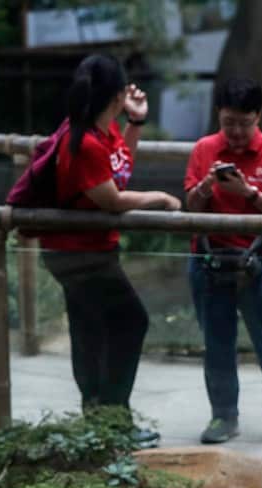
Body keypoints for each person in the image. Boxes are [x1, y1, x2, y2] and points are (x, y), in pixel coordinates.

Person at [40, 54, 180, 446]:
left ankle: (98, 421)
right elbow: (111, 198)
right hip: (77, 254)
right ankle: (113, 419)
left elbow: (118, 167)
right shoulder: (82, 141)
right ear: (118, 94)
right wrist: (160, 198)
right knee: (129, 321)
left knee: (91, 330)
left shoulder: (103, 133)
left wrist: (135, 122)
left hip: (89, 252)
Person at [184, 78, 262, 444]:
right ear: (219, 116)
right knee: (217, 341)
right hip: (209, 258)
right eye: (228, 122)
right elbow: (190, 206)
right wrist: (205, 188)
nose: (235, 132)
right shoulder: (204, 148)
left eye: (244, 123)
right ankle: (223, 415)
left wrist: (247, 192)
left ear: (258, 116)